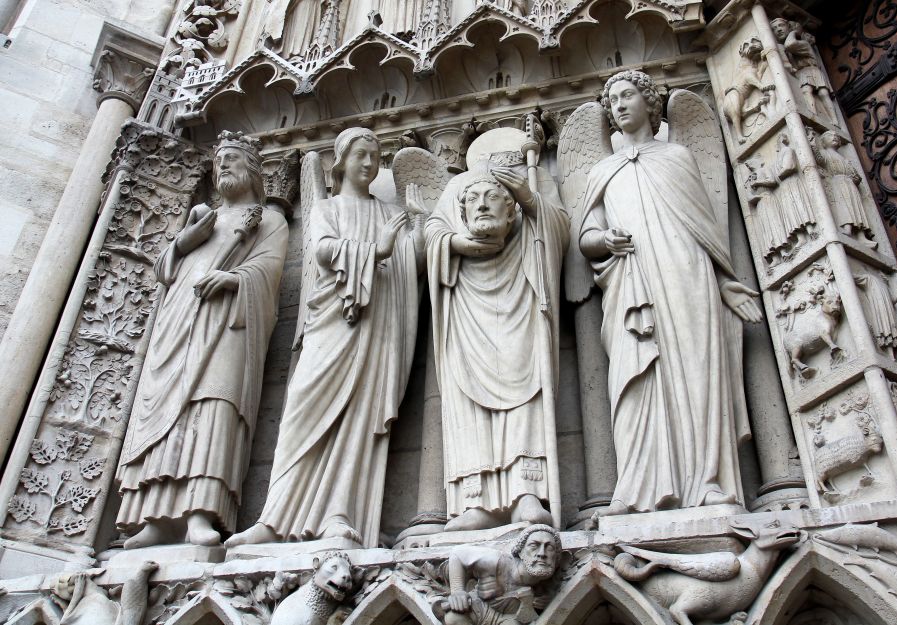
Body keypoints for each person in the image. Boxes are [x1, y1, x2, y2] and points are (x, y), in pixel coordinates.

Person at [226, 127, 423, 548]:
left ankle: (340, 514)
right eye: (360, 155)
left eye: (375, 157)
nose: (368, 163)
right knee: (301, 411)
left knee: (358, 417)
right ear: (341, 161)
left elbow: (413, 265)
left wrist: (420, 226)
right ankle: (274, 518)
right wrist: (378, 250)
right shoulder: (327, 208)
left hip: (377, 325)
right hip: (333, 320)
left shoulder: (390, 213)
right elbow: (323, 251)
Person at [579, 70, 762, 514]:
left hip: (687, 276)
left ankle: (709, 481)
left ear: (649, 102)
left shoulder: (678, 157)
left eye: (628, 96)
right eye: (613, 101)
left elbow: (705, 228)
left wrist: (724, 283)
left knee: (698, 373)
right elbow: (586, 235)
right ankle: (637, 488)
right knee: (635, 377)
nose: (620, 105)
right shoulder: (603, 170)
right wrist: (604, 240)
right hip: (632, 282)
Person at [117, 131, 288, 548]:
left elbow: (270, 272)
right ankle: (155, 518)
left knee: (214, 405)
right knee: (166, 412)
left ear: (253, 170)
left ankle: (200, 512)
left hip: (229, 322)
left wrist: (233, 279)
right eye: (218, 161)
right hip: (179, 320)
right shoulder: (202, 216)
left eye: (232, 159)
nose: (222, 166)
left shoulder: (268, 220)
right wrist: (184, 241)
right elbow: (164, 270)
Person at [426, 142, 569, 532]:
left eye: (492, 198)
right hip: (466, 305)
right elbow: (432, 231)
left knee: (526, 389)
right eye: (474, 200)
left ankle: (526, 493)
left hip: (520, 295)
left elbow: (560, 227)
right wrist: (455, 243)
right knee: (468, 401)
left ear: (510, 209)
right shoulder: (456, 189)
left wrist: (529, 197)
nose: (482, 205)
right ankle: (476, 502)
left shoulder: (532, 184)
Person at [442, 524, 561, 625]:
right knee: (453, 616)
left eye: (549, 548)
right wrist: (457, 591)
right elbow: (457, 554)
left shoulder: (547, 575)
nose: (542, 553)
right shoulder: (497, 562)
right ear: (520, 552)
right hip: (479, 608)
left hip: (509, 618)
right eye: (534, 546)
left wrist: (547, 599)